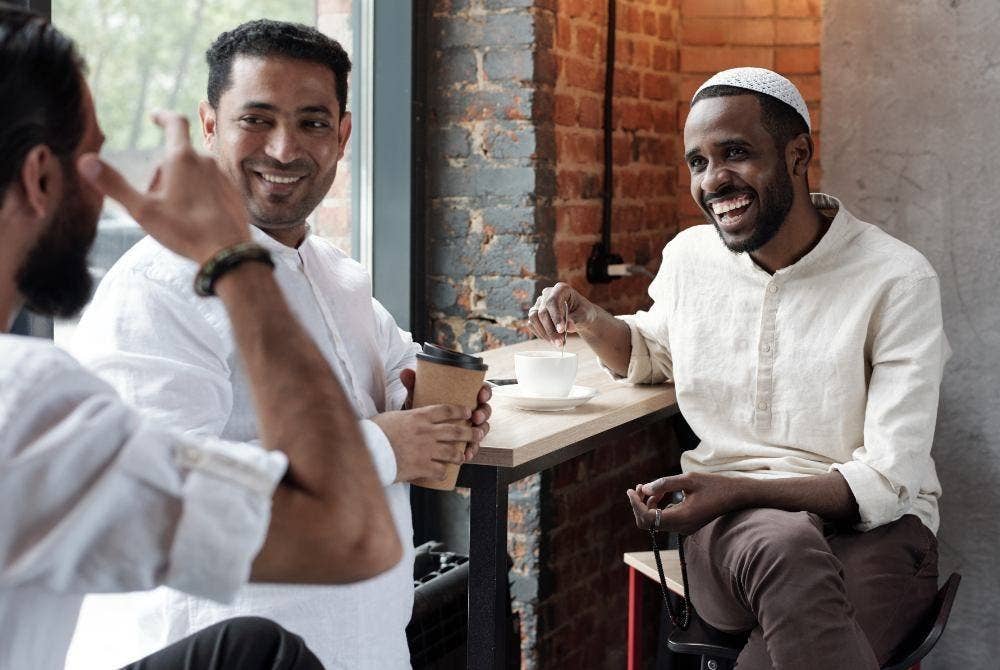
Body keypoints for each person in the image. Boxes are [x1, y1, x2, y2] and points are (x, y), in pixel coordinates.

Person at [66, 19, 492, 670]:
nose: (285, 148)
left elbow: (397, 362)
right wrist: (383, 447)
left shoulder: (339, 276)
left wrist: (456, 406)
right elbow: (167, 508)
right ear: (209, 126)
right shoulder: (152, 289)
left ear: (343, 134)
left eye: (313, 123)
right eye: (257, 119)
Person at [0, 5, 404, 670]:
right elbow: (347, 531)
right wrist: (232, 257)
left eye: (311, 121)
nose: (109, 193)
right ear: (41, 178)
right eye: (96, 161)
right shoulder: (31, 401)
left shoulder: (340, 276)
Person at [529, 67, 948, 669]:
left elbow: (888, 480)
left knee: (788, 605)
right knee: (783, 542)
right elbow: (652, 352)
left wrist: (735, 487)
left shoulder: (897, 278)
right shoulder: (690, 257)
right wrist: (591, 318)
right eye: (697, 162)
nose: (713, 179)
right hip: (738, 536)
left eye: (735, 153)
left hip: (875, 534)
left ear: (798, 153)